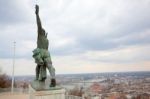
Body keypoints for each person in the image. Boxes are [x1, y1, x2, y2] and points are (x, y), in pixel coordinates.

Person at [32, 5, 56, 87]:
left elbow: (39, 24)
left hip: (41, 52)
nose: (40, 30)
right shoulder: (46, 40)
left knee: (38, 67)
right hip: (47, 53)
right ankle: (53, 79)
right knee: (49, 66)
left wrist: (37, 14)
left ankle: (38, 78)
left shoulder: (40, 35)